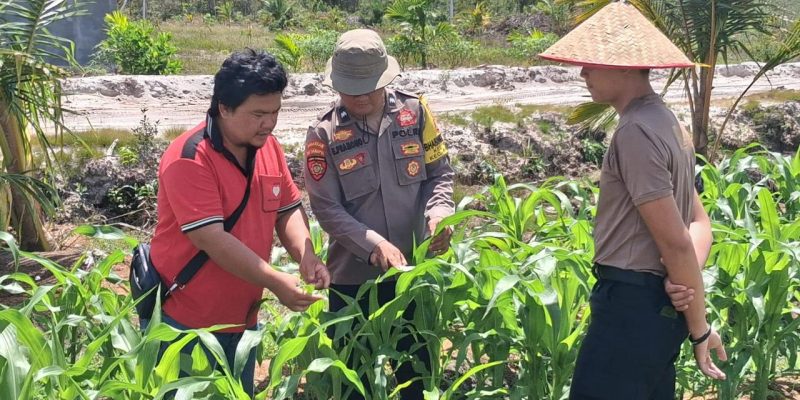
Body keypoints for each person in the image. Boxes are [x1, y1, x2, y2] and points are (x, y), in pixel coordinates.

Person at [539, 2, 727, 399]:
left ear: (626, 66)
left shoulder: (636, 132)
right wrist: (681, 281)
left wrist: (699, 327)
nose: (582, 73)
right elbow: (699, 223)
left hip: (631, 307)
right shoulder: (666, 121)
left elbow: (676, 240)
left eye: (592, 63)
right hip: (654, 303)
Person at [148, 48, 329, 397]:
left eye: (275, 112)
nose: (269, 123)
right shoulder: (190, 158)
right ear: (224, 107)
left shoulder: (268, 147)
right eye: (258, 114)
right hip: (188, 325)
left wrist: (306, 254)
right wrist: (276, 281)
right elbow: (212, 240)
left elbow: (286, 208)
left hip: (243, 321)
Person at [303, 29, 455, 399]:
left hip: (412, 276)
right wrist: (373, 245)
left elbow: (441, 173)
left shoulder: (415, 113)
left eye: (369, 86)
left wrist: (439, 213)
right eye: (351, 88)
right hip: (354, 284)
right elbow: (326, 207)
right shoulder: (323, 134)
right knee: (357, 383)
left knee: (416, 378)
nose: (361, 96)